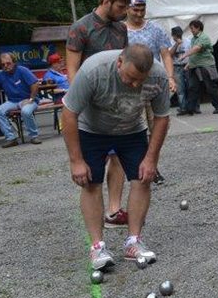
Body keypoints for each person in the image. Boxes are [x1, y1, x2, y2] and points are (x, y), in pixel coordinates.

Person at [62, 45, 170, 270]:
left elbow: (161, 118)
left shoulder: (158, 76)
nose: (136, 85)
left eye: (141, 80)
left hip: (132, 131)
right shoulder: (94, 70)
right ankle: (97, 247)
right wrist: (76, 161)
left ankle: (133, 242)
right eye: (131, 79)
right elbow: (69, 114)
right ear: (119, 63)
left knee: (143, 178)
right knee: (91, 183)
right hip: (92, 131)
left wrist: (151, 158)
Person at [66, 0, 130, 228]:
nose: (124, 12)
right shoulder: (80, 28)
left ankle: (114, 211)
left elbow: (124, 63)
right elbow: (72, 71)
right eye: (121, 6)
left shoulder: (121, 29)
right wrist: (77, 106)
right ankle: (94, 210)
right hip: (89, 104)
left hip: (117, 103)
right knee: (96, 161)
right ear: (106, 1)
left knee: (119, 157)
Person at [125, 0, 176, 184]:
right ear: (128, 9)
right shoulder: (121, 31)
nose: (139, 13)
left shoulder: (155, 29)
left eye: (142, 9)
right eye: (135, 9)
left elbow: (166, 54)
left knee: (158, 127)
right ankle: (140, 166)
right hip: (132, 87)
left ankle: (152, 164)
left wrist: (170, 77)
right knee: (138, 127)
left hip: (155, 84)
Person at [0, 53, 41, 147]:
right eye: (2, 64)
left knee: (25, 111)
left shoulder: (22, 70)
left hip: (28, 99)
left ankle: (34, 136)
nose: (5, 66)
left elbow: (35, 83)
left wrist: (31, 98)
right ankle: (11, 138)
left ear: (14, 62)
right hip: (13, 101)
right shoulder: (1, 75)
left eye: (8, 63)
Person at [180, 19, 218, 115]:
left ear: (198, 28)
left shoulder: (204, 37)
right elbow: (194, 54)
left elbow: (197, 49)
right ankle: (190, 109)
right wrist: (189, 64)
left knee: (210, 86)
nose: (191, 30)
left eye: (192, 28)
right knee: (193, 87)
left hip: (205, 65)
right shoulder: (193, 39)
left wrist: (185, 55)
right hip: (195, 65)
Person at [170, 26, 191, 110]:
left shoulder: (188, 41)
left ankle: (194, 106)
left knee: (191, 86)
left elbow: (192, 53)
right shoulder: (170, 42)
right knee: (180, 88)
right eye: (176, 36)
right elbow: (169, 54)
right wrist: (177, 44)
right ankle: (183, 107)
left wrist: (189, 63)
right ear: (173, 35)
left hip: (187, 65)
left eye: (180, 35)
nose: (178, 37)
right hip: (177, 66)